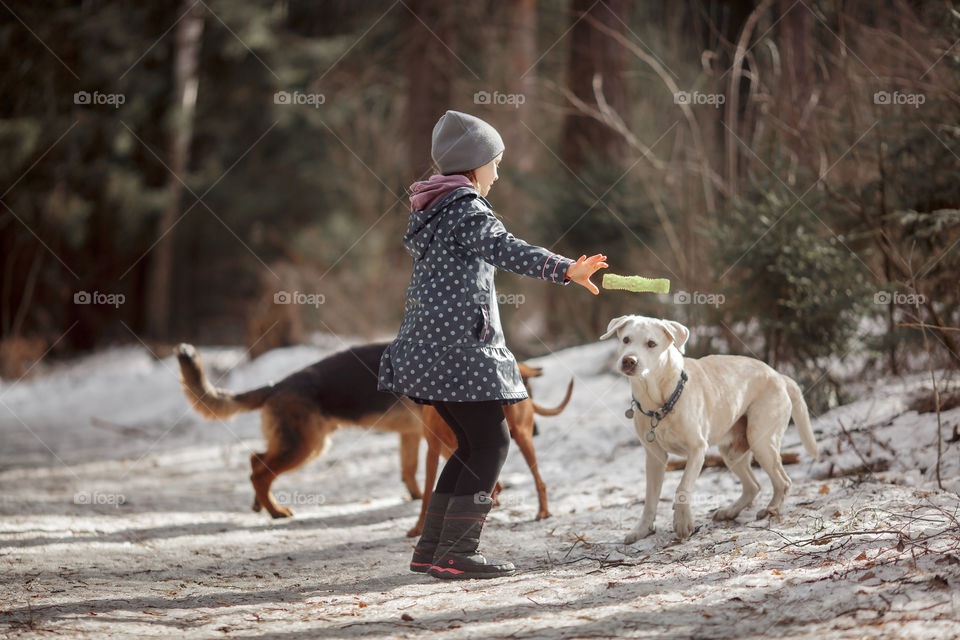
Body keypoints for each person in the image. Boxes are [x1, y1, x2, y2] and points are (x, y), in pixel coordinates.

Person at [378, 110, 607, 580]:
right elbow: (506, 248)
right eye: (495, 163)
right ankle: (457, 551)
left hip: (429, 351)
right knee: (491, 444)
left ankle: (432, 549)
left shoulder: (434, 209)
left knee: (470, 444)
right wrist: (566, 268)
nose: (498, 173)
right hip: (459, 352)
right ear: (474, 164)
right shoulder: (464, 208)